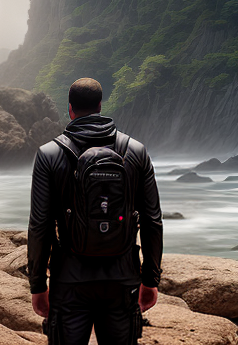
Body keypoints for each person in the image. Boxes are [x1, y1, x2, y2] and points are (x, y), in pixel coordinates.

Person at [27, 77, 163, 345]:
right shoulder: (136, 151)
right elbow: (152, 221)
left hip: (69, 281)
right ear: (101, 106)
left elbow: (40, 225)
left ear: (70, 109)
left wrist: (38, 285)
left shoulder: (48, 154)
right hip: (123, 279)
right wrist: (151, 279)